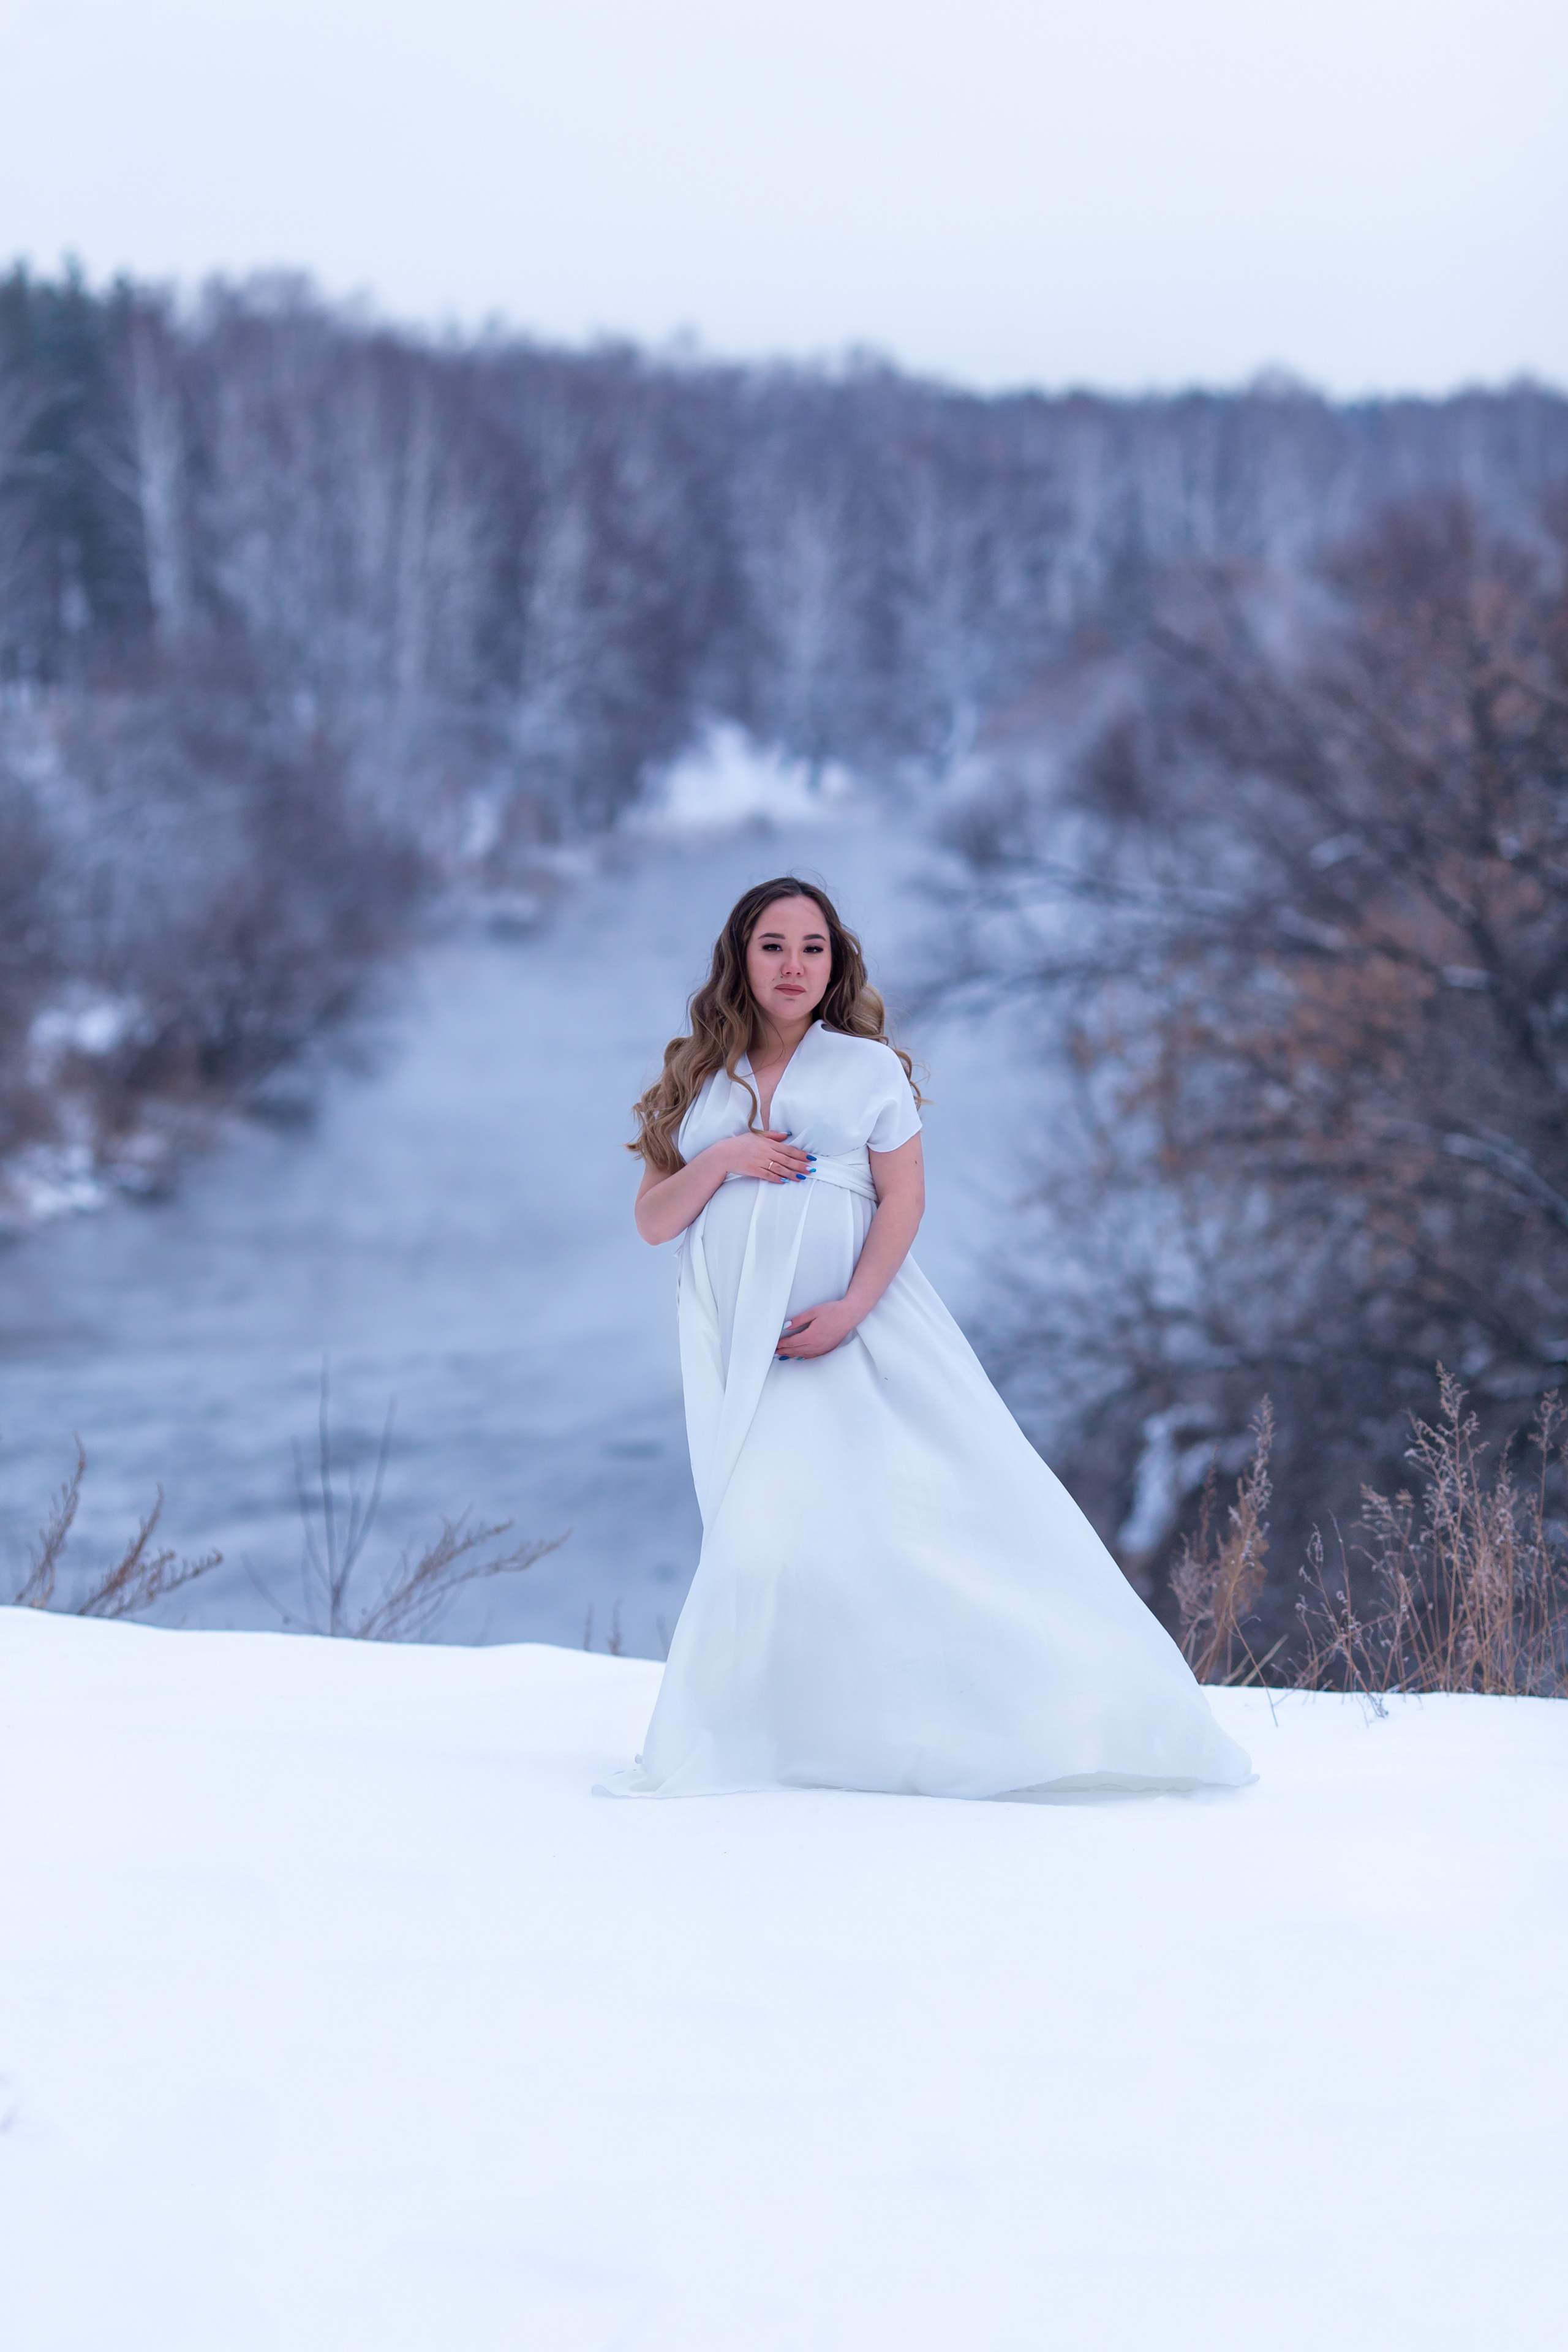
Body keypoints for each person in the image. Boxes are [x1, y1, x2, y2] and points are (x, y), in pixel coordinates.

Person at [613, 876, 1250, 1798]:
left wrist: (850, 1310)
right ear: (739, 959)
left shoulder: (867, 1068)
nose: (794, 966)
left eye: (813, 948)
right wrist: (722, 1158)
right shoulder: (696, 1080)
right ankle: (792, 1745)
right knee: (778, 1544)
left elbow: (904, 1199)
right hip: (741, 1344)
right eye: (773, 946)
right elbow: (653, 1222)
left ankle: (1069, 1716)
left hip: (849, 1331)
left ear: (835, 964)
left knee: (899, 1528)